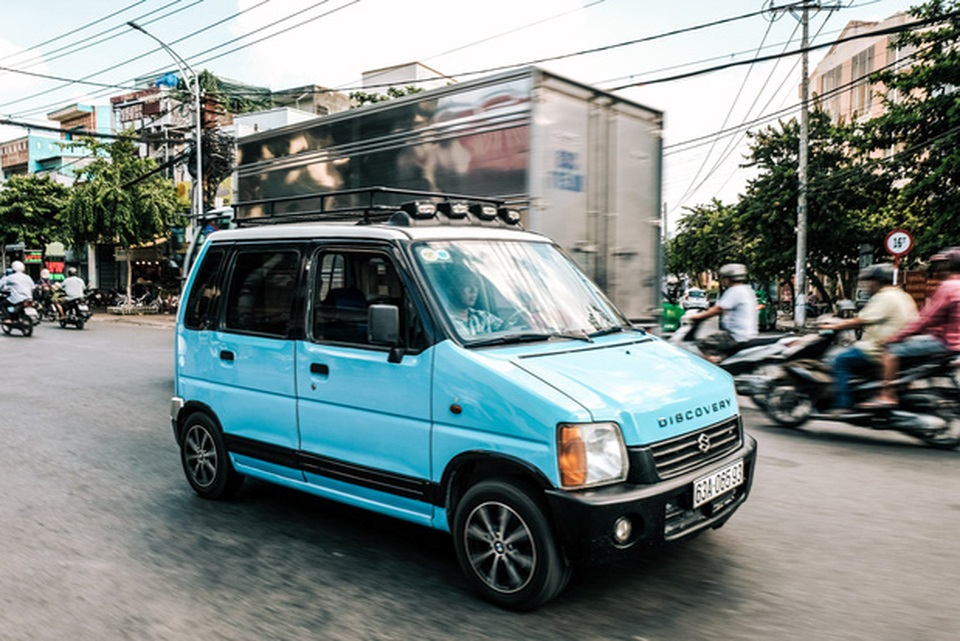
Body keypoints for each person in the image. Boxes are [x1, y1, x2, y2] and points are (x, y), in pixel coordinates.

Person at [866, 247, 960, 407]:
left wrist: (897, 337)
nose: (938, 270)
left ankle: (887, 395)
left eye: (942, 266)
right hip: (951, 342)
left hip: (946, 342)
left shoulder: (948, 287)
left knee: (891, 350)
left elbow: (927, 318)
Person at [819, 263, 917, 413]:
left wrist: (833, 326)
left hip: (878, 349)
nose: (867, 285)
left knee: (841, 360)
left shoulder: (884, 297)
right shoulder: (903, 295)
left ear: (876, 281)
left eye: (869, 281)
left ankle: (843, 404)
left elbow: (861, 320)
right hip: (898, 348)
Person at [687, 263, 758, 359]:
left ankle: (712, 369)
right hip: (747, 335)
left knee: (702, 344)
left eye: (723, 278)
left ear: (728, 278)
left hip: (735, 336)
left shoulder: (735, 291)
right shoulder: (747, 289)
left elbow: (719, 309)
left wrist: (697, 317)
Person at [445, 265, 504, 337]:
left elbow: (507, 330)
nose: (474, 290)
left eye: (475, 285)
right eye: (467, 285)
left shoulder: (483, 317)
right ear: (451, 291)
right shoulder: (445, 322)